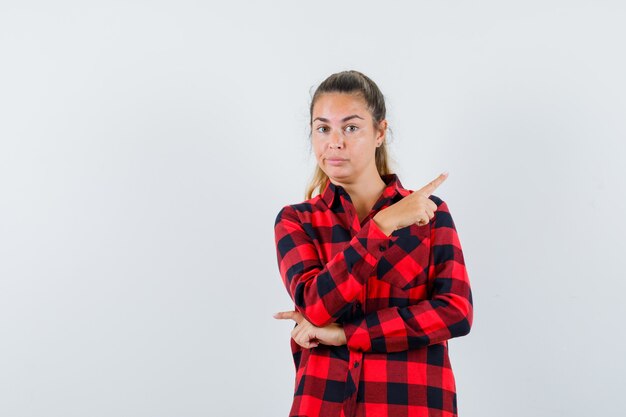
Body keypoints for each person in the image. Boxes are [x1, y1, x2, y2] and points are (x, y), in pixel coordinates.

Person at [273, 70, 473, 417]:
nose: (334, 142)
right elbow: (317, 306)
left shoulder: (430, 213)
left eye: (350, 128)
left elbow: (456, 312)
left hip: (412, 404)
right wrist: (384, 224)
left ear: (380, 132)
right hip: (323, 403)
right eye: (323, 128)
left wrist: (346, 334)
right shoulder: (297, 220)